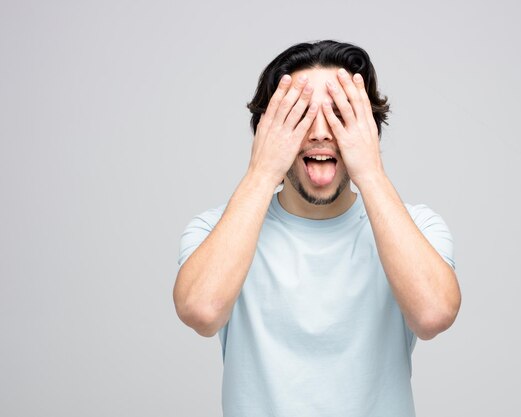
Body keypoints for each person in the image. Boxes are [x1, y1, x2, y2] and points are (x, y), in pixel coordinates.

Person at [174, 39, 461, 417]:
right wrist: (262, 172)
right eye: (300, 115)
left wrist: (371, 172)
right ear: (268, 131)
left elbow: (433, 315)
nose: (322, 133)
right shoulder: (217, 230)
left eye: (342, 115)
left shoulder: (417, 227)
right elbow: (201, 311)